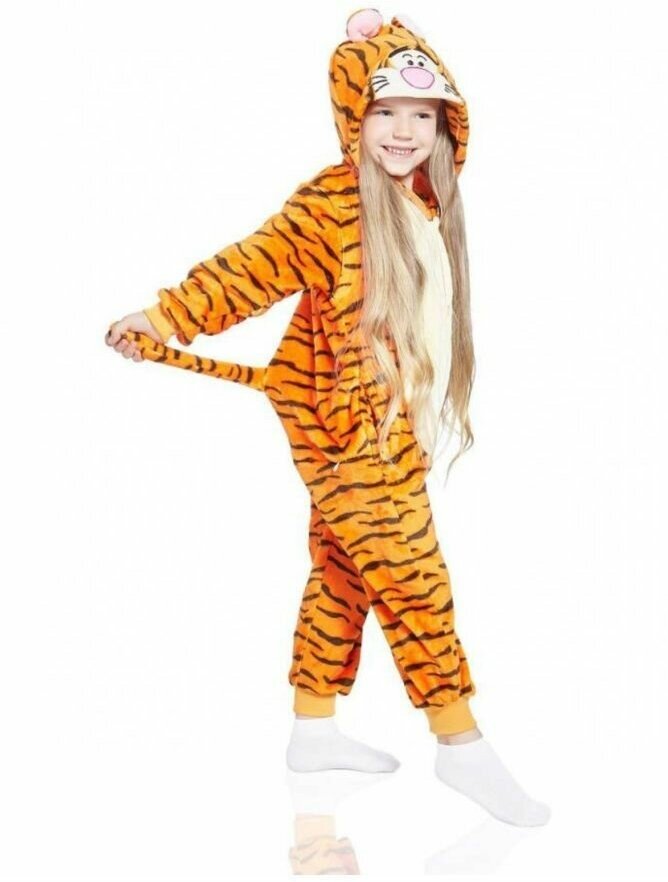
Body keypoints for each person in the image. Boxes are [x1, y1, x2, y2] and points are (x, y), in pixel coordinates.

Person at [105, 9, 551, 827]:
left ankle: (313, 730)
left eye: (423, 115)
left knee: (345, 569)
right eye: (386, 112)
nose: (404, 132)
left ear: (447, 127)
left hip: (389, 424)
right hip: (348, 430)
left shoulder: (420, 202)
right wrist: (165, 316)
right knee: (413, 577)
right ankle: (459, 742)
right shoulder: (334, 201)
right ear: (354, 115)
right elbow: (251, 265)